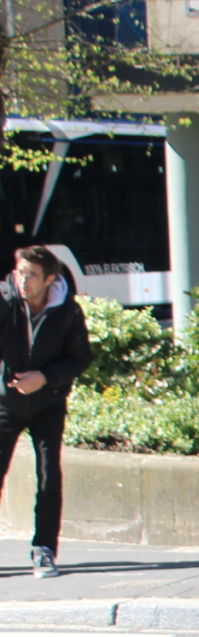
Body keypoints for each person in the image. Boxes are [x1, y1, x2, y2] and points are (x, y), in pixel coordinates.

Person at [0, 246, 91, 580]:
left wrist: (44, 378)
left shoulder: (67, 312)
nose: (23, 280)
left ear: (50, 279)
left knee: (49, 477)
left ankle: (45, 550)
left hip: (48, 405)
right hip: (6, 404)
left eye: (32, 275)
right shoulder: (6, 303)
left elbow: (80, 358)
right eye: (20, 272)